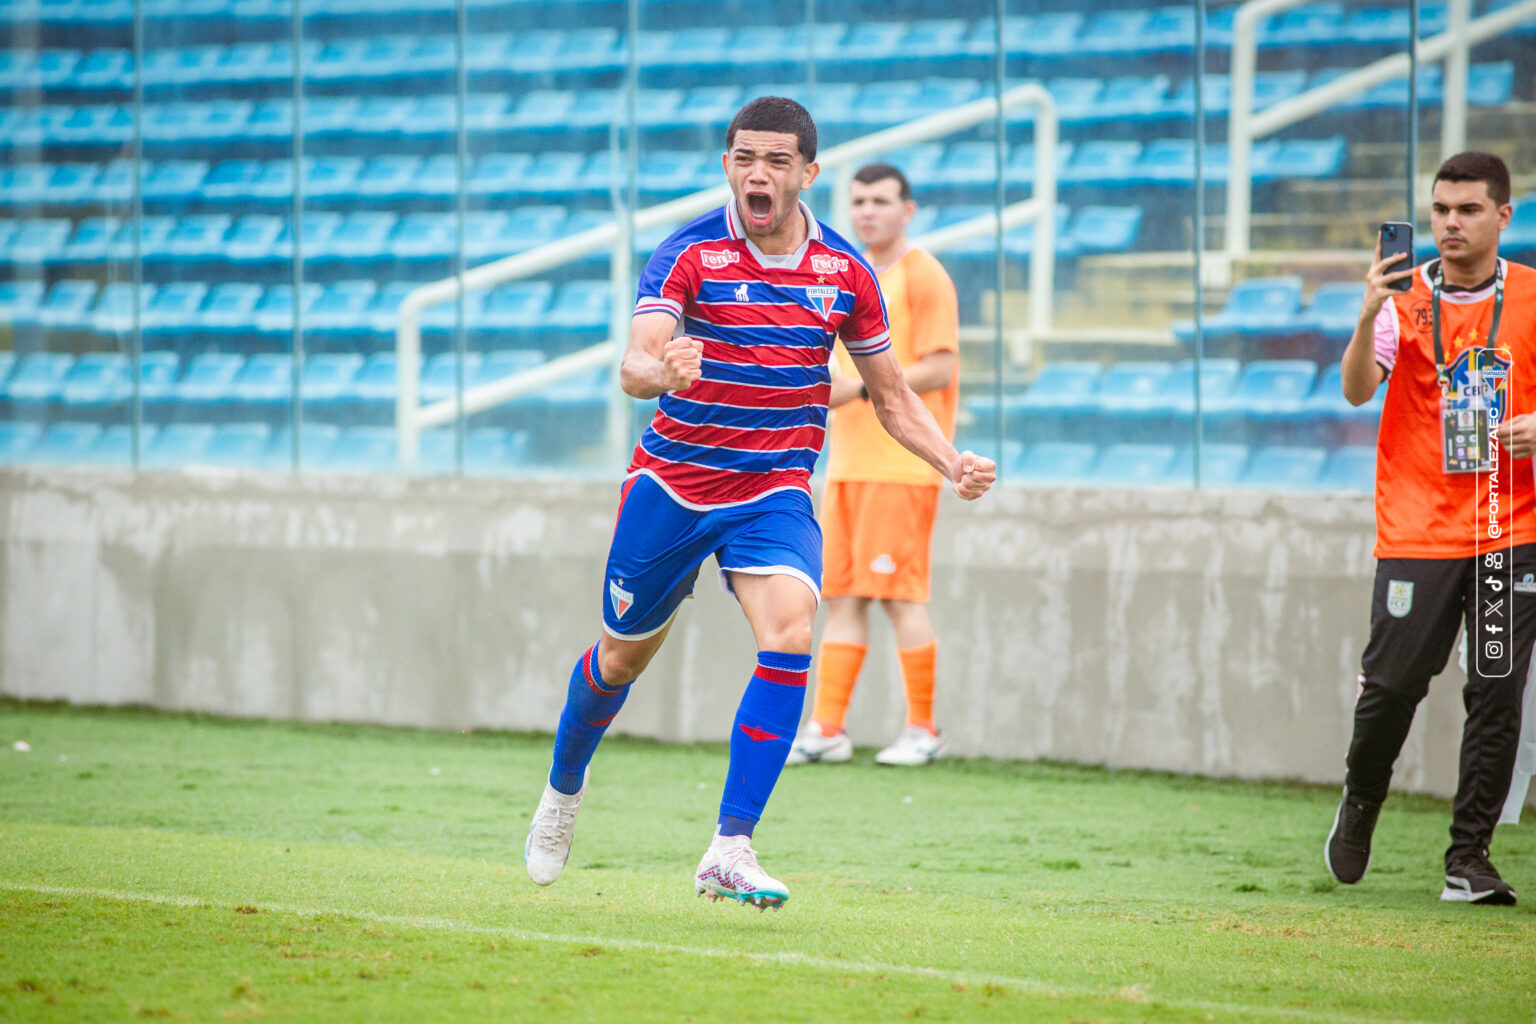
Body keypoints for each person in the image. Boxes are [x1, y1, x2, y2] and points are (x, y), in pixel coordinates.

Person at [523, 97, 997, 910]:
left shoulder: (846, 272)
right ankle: (564, 789)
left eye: (777, 161)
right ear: (727, 167)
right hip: (672, 485)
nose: (758, 173)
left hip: (774, 488)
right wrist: (658, 374)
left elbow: (890, 396)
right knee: (618, 662)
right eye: (745, 158)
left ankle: (730, 847)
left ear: (808, 173)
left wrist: (952, 460)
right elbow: (635, 361)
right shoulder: (688, 252)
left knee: (789, 631)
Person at [1326, 151, 1535, 905]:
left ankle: (1468, 859)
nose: (1450, 222)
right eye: (1441, 209)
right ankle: (1360, 803)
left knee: (1497, 689)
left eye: (1469, 209)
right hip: (1417, 528)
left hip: (1510, 527)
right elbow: (1355, 393)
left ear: (1503, 217)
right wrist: (1362, 316)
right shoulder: (1401, 300)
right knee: (1390, 687)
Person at [786, 163, 961, 767]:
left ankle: (923, 730)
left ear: (907, 210)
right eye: (858, 200)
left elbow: (939, 366)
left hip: (902, 465)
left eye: (881, 201)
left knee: (899, 598)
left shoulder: (924, 274)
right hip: (847, 464)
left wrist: (860, 386)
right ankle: (827, 729)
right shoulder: (848, 275)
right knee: (844, 599)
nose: (867, 211)